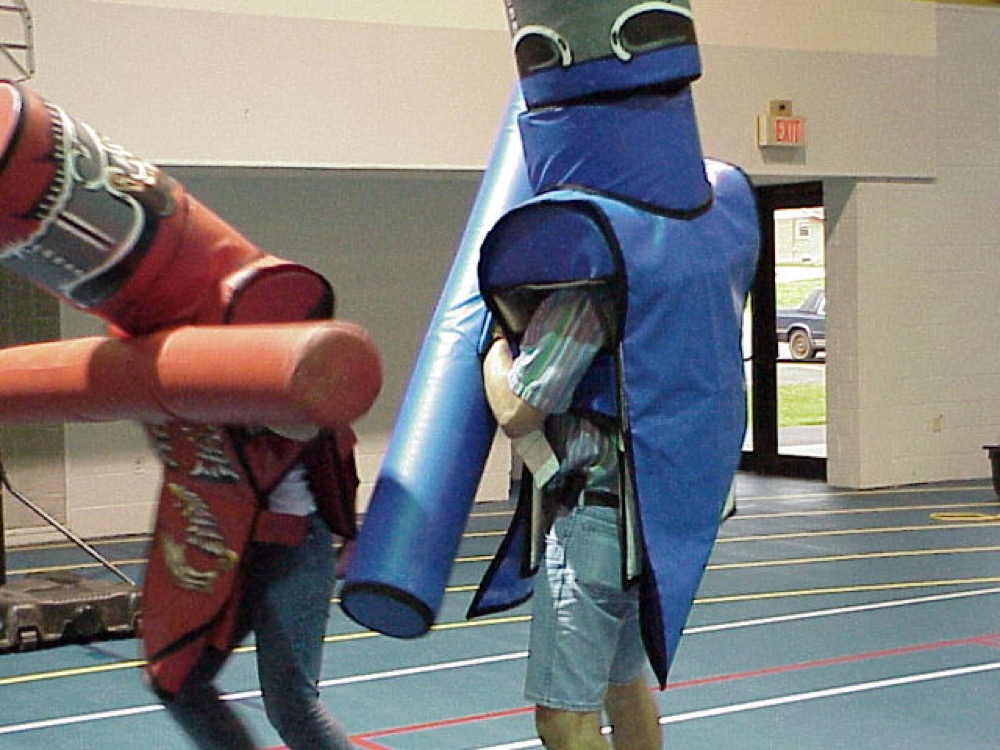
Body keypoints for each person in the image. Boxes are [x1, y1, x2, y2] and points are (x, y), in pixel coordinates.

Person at [483, 287, 661, 750]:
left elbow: (516, 410)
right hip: (654, 522)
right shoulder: (660, 292)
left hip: (595, 525)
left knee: (562, 718)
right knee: (624, 687)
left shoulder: (582, 299)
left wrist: (495, 346)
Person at [153, 423, 358, 750]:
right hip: (224, 539)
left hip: (291, 542)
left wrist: (349, 531)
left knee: (291, 704)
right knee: (179, 680)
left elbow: (317, 428)